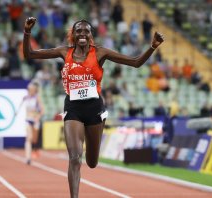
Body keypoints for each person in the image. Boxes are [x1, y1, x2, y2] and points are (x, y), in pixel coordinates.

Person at [23, 17, 164, 198]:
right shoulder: (63, 51)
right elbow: (29, 54)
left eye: (86, 31)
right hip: (73, 108)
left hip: (94, 109)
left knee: (92, 162)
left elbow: (135, 62)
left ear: (91, 35)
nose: (82, 34)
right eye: (78, 31)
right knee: (74, 158)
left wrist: (152, 46)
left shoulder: (99, 53)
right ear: (73, 35)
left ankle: (95, 139)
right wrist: (27, 31)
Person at [18, 81, 44, 165]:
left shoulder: (37, 98)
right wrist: (16, 112)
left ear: (35, 90)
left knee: (34, 139)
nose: (30, 91)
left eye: (32, 90)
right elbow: (20, 105)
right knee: (29, 138)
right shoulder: (25, 97)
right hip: (28, 120)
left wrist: (38, 117)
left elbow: (42, 110)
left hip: (35, 120)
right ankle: (28, 158)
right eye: (29, 89)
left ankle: (36, 149)